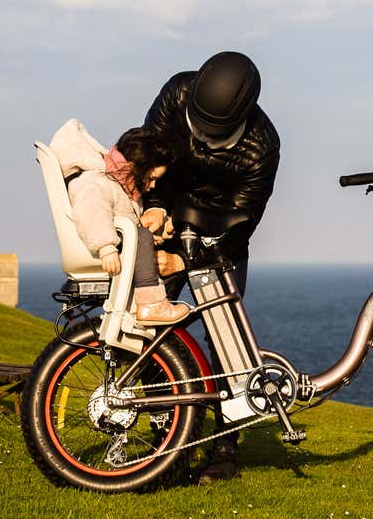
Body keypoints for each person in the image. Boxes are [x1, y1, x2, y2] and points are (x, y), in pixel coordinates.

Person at [139, 51, 281, 483]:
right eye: (196, 126)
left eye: (212, 135)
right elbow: (149, 158)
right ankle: (166, 431)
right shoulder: (175, 94)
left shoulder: (263, 148)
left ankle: (224, 450)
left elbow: (241, 226)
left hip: (222, 233)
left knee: (227, 344)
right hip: (166, 221)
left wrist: (187, 258)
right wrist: (156, 208)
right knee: (143, 324)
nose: (199, 140)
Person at [49, 119, 189, 324]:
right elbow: (91, 211)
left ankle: (150, 306)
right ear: (135, 167)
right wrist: (106, 247)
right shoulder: (96, 181)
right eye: (151, 178)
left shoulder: (118, 185)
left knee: (144, 237)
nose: (152, 186)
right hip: (103, 249)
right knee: (140, 236)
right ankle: (151, 304)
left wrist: (159, 230)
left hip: (115, 245)